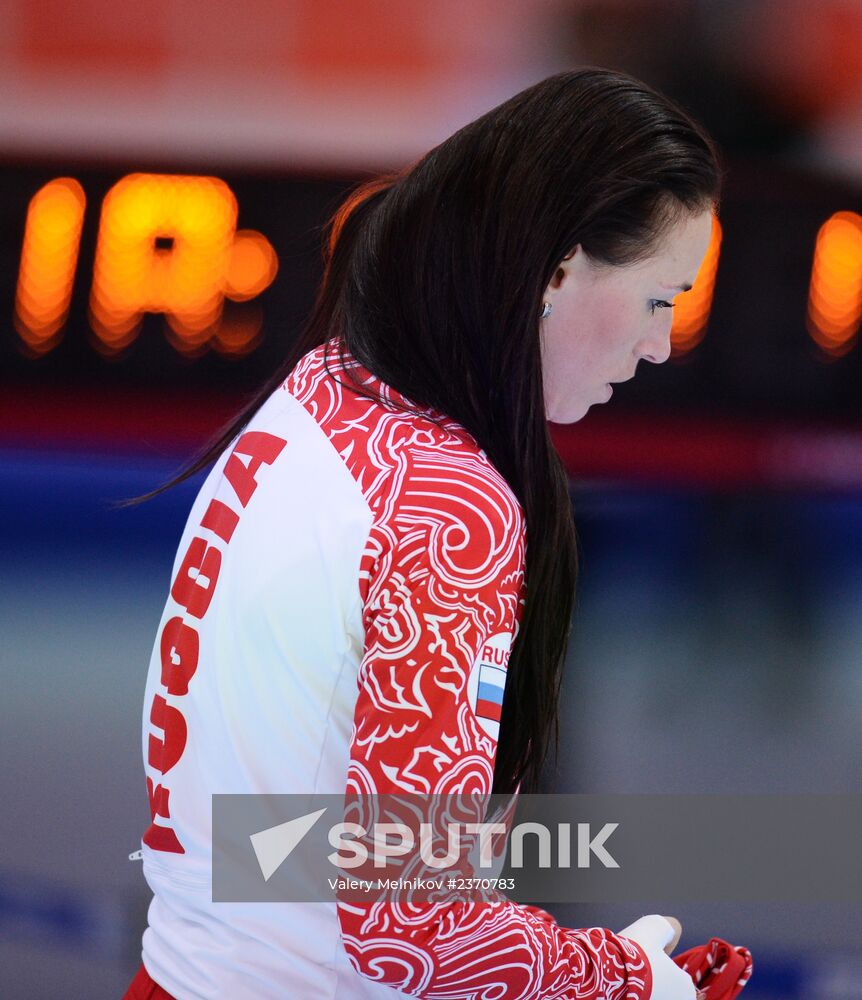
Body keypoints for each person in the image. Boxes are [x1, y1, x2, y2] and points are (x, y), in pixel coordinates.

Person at [120, 66, 722, 999]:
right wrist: (630, 977)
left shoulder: (317, 395)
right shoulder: (447, 502)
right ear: (559, 270)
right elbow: (415, 927)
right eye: (659, 299)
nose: (659, 345)